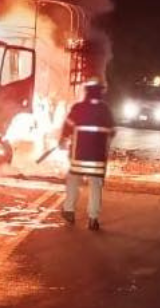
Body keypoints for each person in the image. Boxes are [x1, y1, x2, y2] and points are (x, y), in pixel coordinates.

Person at [60, 80, 115, 230]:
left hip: (79, 155)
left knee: (73, 180)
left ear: (87, 92)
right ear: (100, 93)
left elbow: (67, 127)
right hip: (97, 158)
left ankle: (69, 210)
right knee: (96, 185)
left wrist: (63, 139)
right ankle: (93, 218)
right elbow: (112, 131)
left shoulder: (79, 108)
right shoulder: (105, 110)